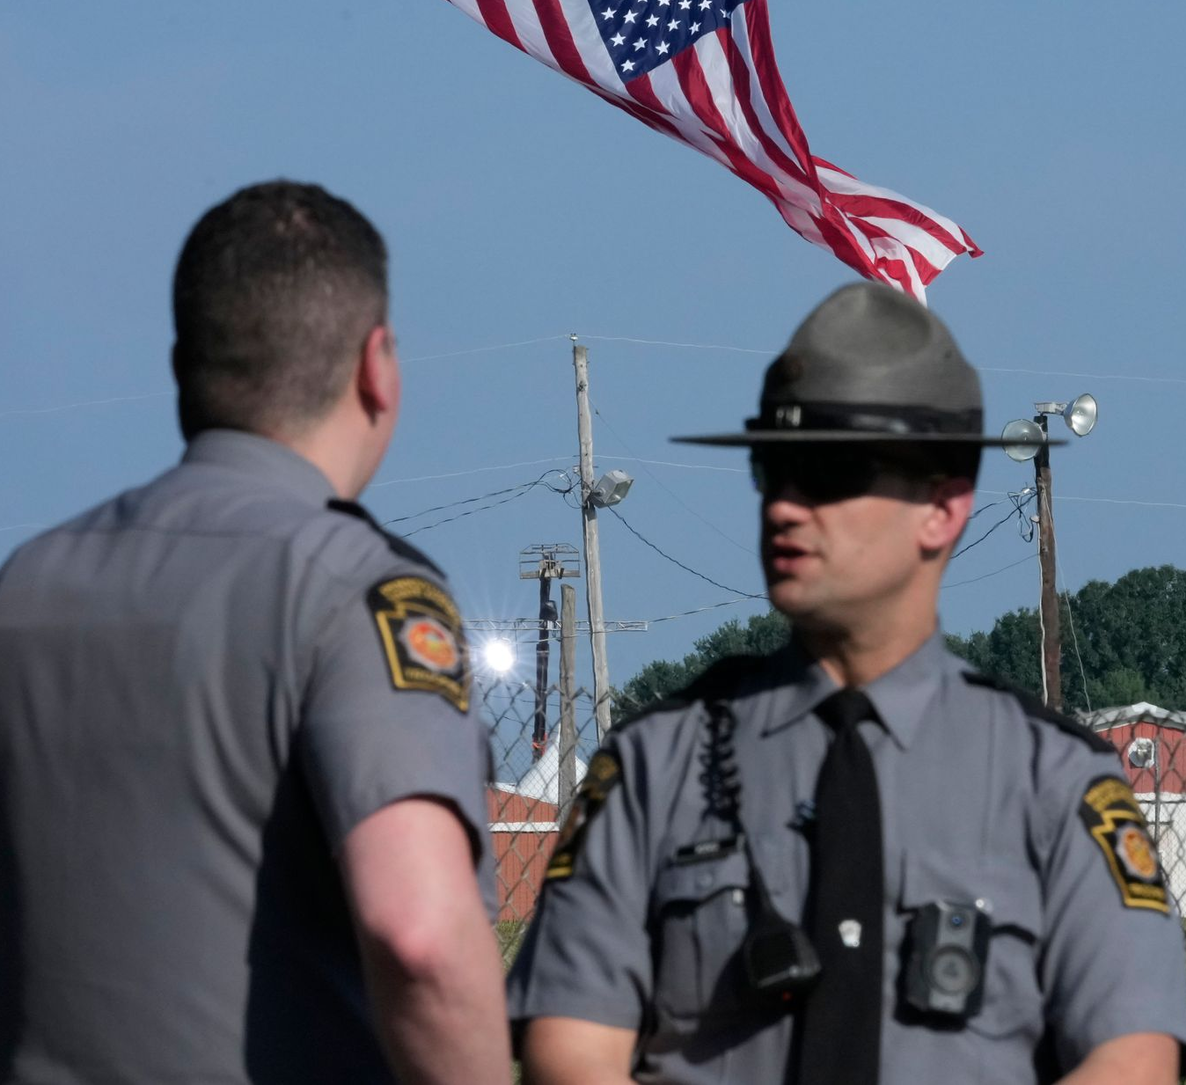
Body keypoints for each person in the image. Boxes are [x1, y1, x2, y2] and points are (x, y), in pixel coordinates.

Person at [508, 282, 1186, 1085]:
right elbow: (569, 1046)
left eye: (828, 471)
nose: (786, 507)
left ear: (942, 506)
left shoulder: (1055, 782)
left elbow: (1132, 1056)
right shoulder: (653, 769)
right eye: (773, 466)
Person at [0, 181, 512, 1085]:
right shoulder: (356, 587)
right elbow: (420, 934)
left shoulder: (26, 586)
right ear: (375, 366)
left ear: (186, 365)